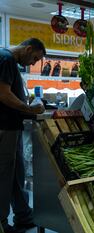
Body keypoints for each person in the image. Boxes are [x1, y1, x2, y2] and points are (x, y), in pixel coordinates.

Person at [0, 38, 46, 233]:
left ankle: (24, 216)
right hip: (5, 128)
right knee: (3, 177)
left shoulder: (8, 60)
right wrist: (29, 109)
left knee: (15, 174)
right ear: (28, 49)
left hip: (12, 128)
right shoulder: (6, 59)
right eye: (34, 58)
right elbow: (3, 93)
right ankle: (1, 223)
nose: (33, 64)